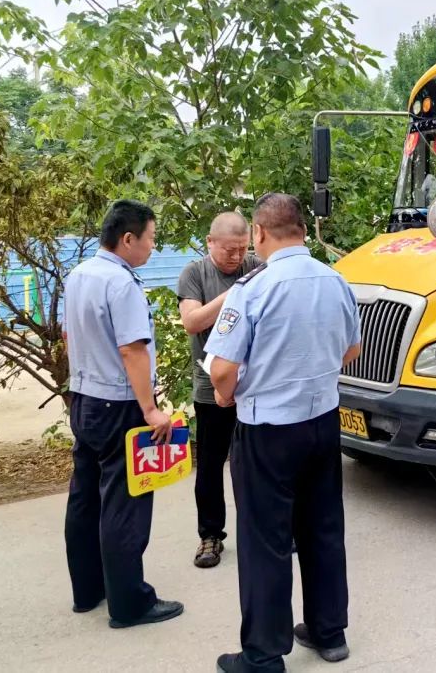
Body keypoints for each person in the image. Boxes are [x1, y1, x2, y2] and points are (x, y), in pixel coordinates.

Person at [205, 193, 362, 673]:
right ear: (299, 229)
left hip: (268, 431)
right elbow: (352, 351)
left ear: (259, 233)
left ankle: (263, 654)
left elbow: (221, 369)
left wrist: (226, 394)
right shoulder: (335, 280)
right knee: (322, 528)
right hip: (321, 423)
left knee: (265, 540)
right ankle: (328, 632)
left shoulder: (252, 288)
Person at [62, 199, 184, 630]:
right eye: (150, 239)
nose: (152, 248)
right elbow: (132, 348)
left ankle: (88, 590)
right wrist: (150, 409)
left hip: (84, 398)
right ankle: (129, 603)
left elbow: (67, 335)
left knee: (86, 496)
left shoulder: (78, 276)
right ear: (128, 239)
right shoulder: (121, 284)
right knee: (125, 502)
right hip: (119, 404)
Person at [176, 210, 262, 569]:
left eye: (242, 249)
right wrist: (234, 295)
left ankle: (262, 531)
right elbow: (192, 321)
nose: (237, 257)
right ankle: (210, 536)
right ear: (210, 242)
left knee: (257, 464)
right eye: (229, 249)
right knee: (211, 466)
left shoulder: (257, 266)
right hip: (211, 389)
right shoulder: (194, 273)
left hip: (252, 386)